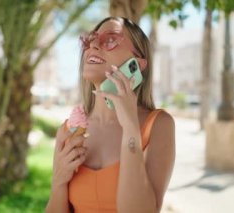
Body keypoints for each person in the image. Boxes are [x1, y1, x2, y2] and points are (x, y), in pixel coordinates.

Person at [45, 16, 175, 213]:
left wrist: (131, 128)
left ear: (137, 64)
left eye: (111, 39)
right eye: (90, 39)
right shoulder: (68, 130)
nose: (93, 45)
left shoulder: (158, 125)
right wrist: (58, 182)